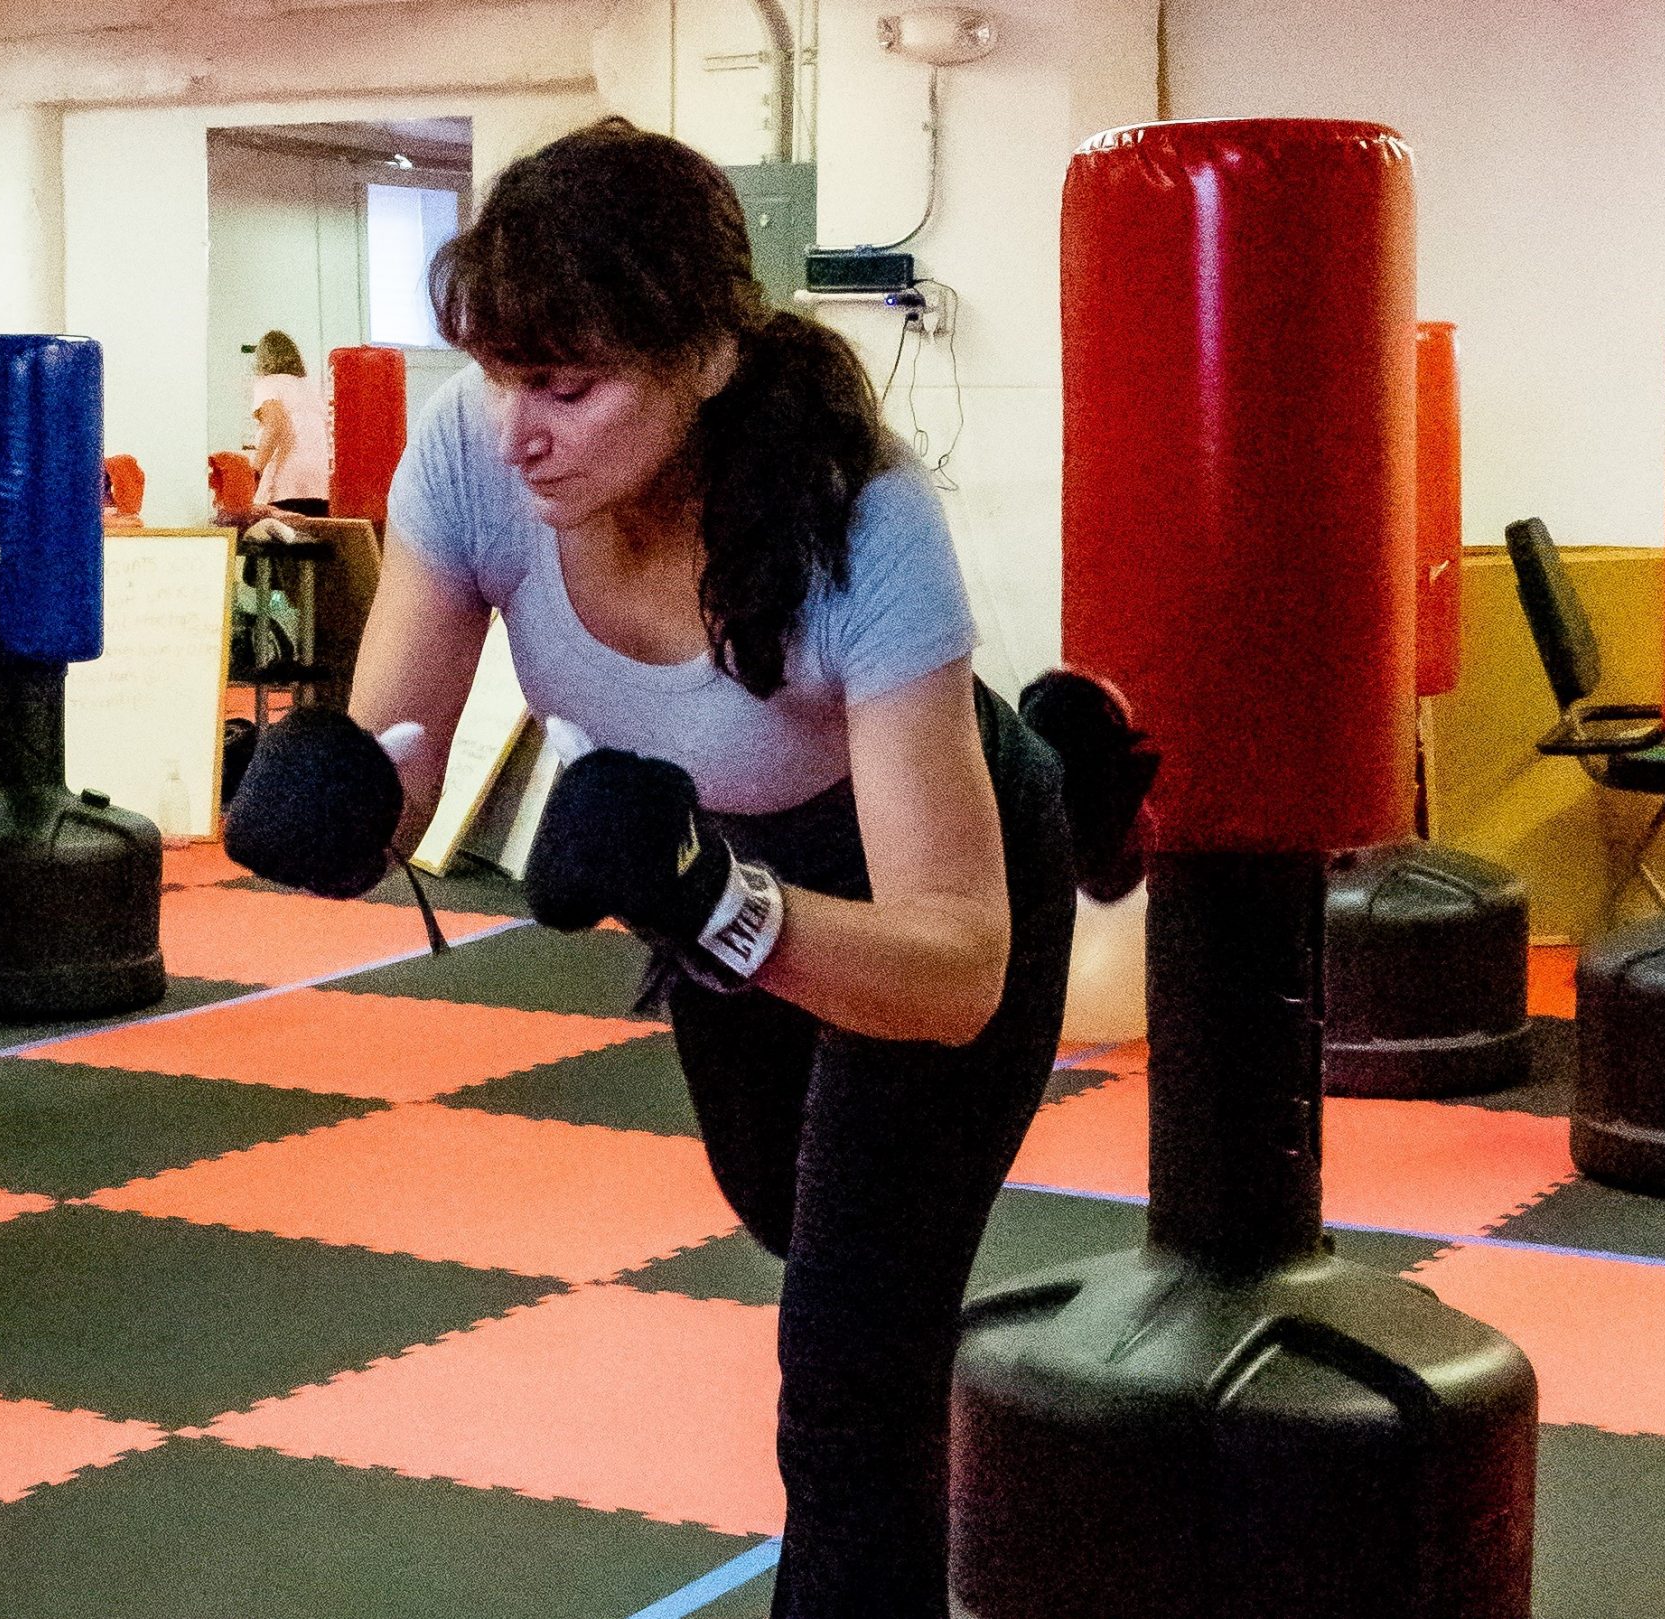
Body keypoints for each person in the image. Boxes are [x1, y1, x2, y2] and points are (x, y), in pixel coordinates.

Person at [222, 121, 1106, 1617]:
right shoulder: (477, 452)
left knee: (846, 1382)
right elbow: (403, 754)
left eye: (567, 386)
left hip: (920, 888)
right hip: (704, 854)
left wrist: (711, 900)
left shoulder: (862, 521)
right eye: (501, 376)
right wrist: (336, 806)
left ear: (702, 357)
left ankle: (1079, 785)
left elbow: (956, 965)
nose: (518, 429)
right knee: (786, 1209)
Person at [247, 330, 331, 517]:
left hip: (287, 483)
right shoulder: (311, 388)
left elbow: (276, 423)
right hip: (321, 484)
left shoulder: (267, 384)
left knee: (282, 540)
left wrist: (255, 473)